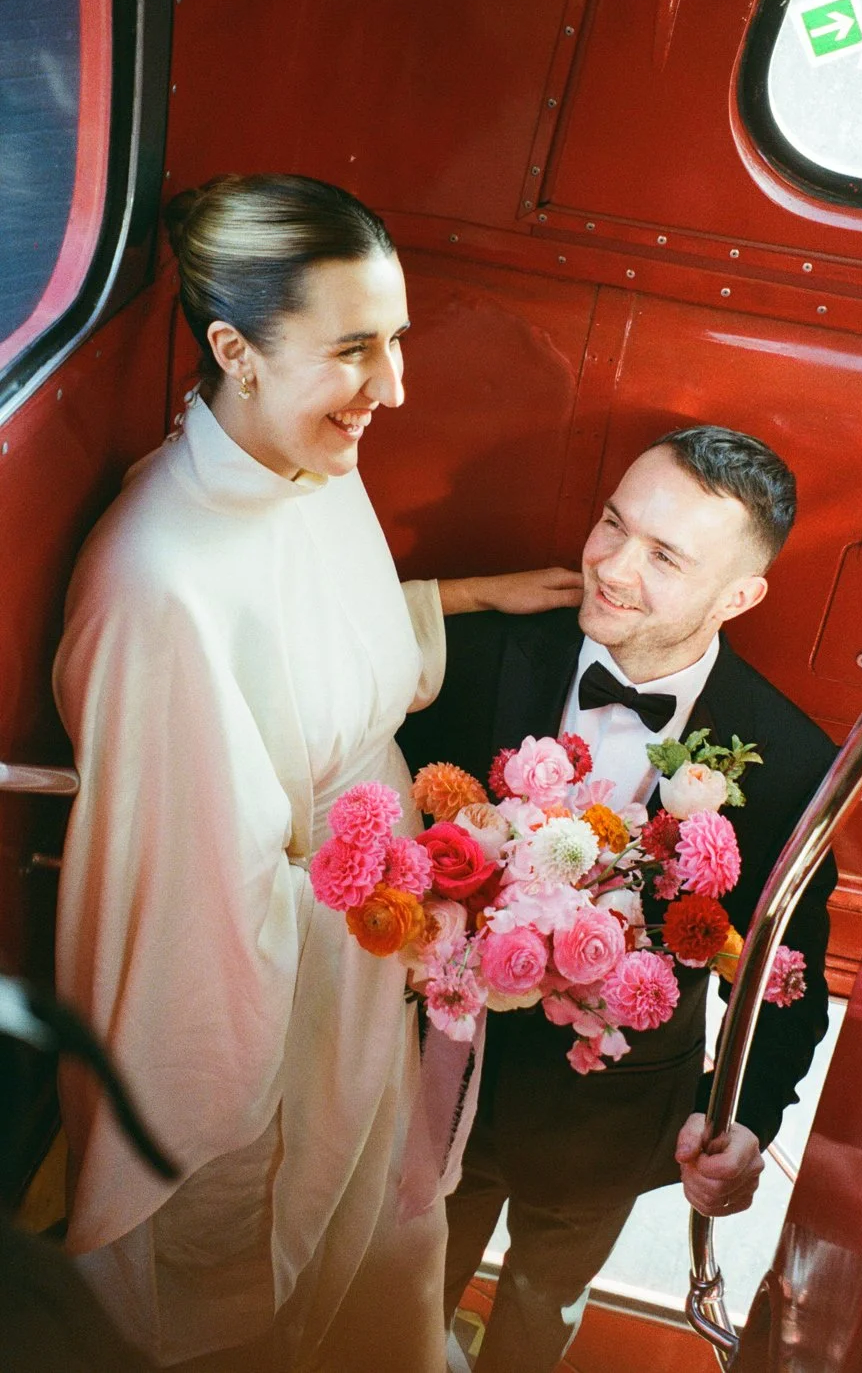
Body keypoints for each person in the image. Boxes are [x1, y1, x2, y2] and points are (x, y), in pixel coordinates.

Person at [52, 173, 581, 1373]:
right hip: (269, 1017)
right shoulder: (155, 591)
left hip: (353, 968)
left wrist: (455, 600)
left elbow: (300, 655)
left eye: (393, 340)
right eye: (354, 350)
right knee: (247, 1281)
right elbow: (190, 910)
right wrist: (412, 904)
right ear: (234, 350)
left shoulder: (305, 465)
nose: (392, 387)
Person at [398, 425, 839, 1373]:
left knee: (545, 1303)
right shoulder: (484, 652)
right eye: (612, 522)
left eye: (663, 556)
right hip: (438, 1083)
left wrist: (748, 1119)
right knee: (405, 1291)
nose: (610, 565)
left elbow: (785, 982)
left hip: (615, 1116)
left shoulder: (794, 762)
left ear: (739, 596)